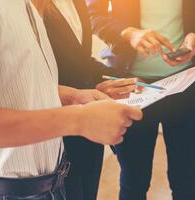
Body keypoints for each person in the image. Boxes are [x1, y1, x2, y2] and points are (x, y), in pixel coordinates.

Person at [0, 1, 143, 200]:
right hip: (0, 193)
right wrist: (78, 119)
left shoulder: (26, 6)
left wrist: (73, 96)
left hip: (50, 185)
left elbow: (17, 83)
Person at [87, 0, 195, 199]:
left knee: (187, 183)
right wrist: (128, 33)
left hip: (189, 86)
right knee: (133, 181)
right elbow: (92, 14)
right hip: (131, 89)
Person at [42, 1, 141, 199]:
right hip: (55, 132)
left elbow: (81, 60)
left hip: (89, 133)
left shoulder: (77, 3)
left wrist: (113, 78)